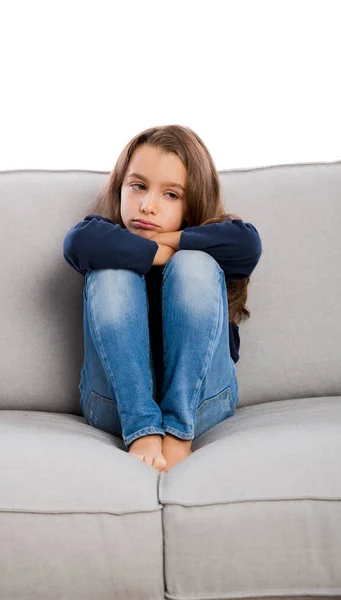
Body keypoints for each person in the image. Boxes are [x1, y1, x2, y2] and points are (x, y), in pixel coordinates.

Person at [63, 124, 262, 473]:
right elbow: (78, 244)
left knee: (194, 264)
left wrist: (174, 243)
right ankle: (142, 429)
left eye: (171, 195)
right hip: (113, 405)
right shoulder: (98, 234)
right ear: (120, 187)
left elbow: (247, 246)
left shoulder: (221, 237)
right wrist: (157, 252)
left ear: (193, 201)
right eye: (138, 186)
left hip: (204, 401)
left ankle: (178, 431)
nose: (148, 206)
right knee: (112, 271)